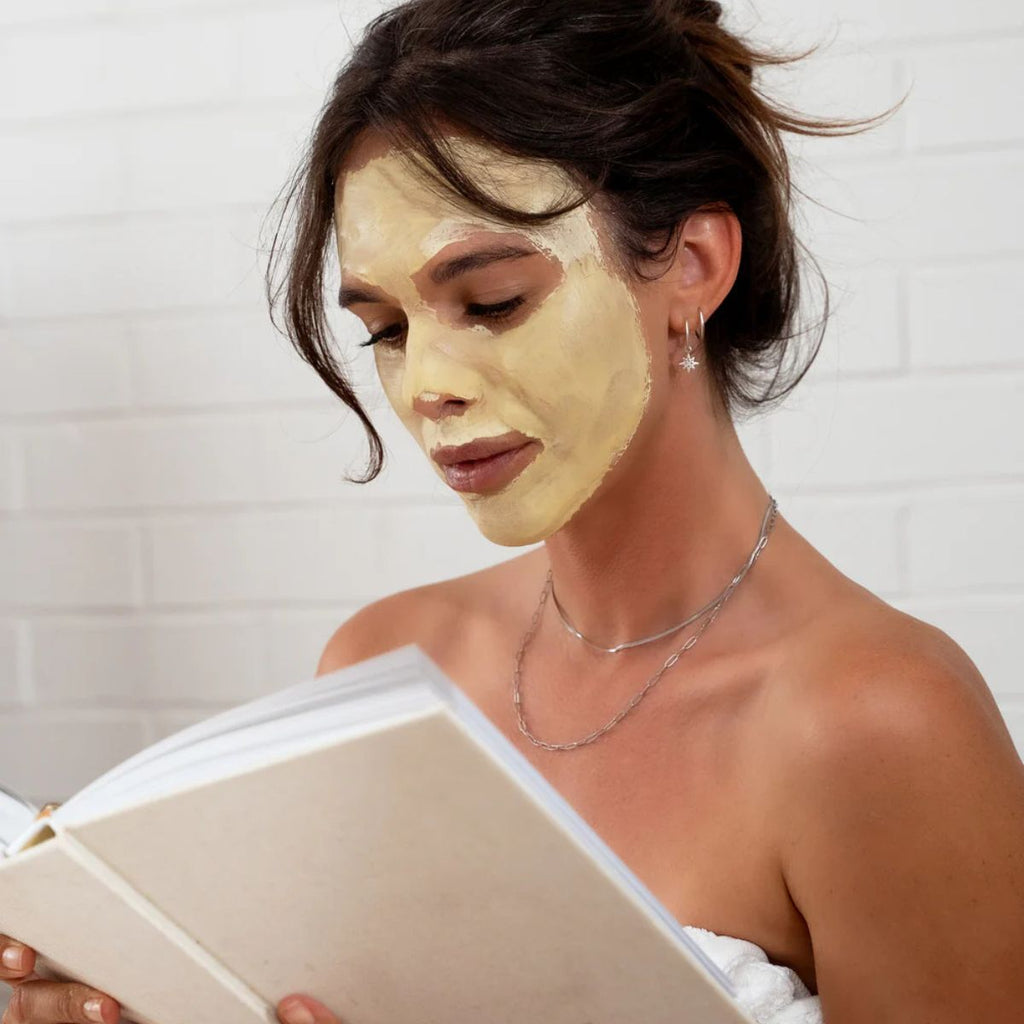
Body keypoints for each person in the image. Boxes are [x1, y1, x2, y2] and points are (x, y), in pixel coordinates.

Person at [3, 1, 1023, 1022]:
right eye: (387, 327)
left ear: (695, 268)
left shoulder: (875, 723)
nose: (426, 386)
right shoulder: (382, 665)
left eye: (490, 301)